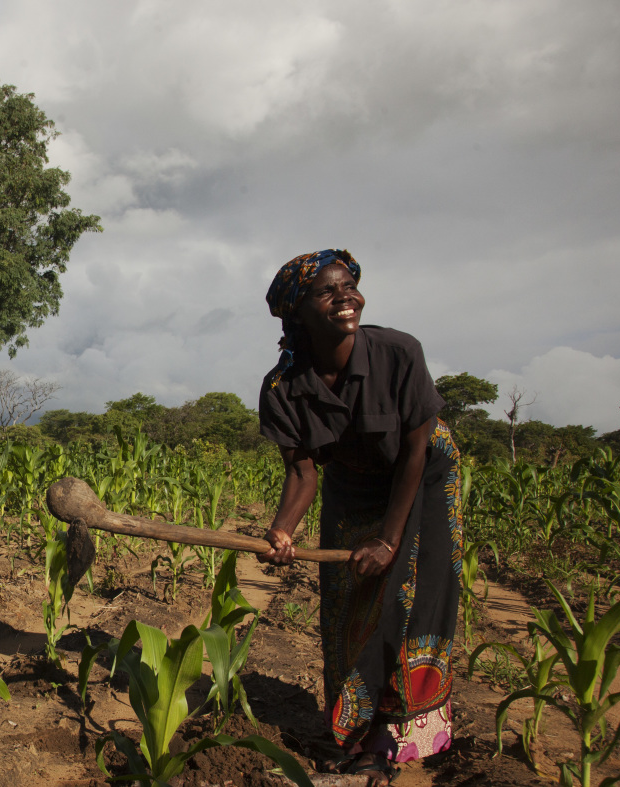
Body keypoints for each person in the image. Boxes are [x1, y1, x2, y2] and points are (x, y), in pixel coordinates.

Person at [256, 250, 462, 786]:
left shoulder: (398, 352)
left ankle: (387, 741)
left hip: (424, 476)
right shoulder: (282, 388)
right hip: (353, 481)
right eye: (328, 291)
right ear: (297, 312)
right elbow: (303, 475)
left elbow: (415, 453)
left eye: (349, 286)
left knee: (403, 596)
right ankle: (350, 726)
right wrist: (283, 531)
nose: (345, 297)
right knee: (347, 603)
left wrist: (390, 541)